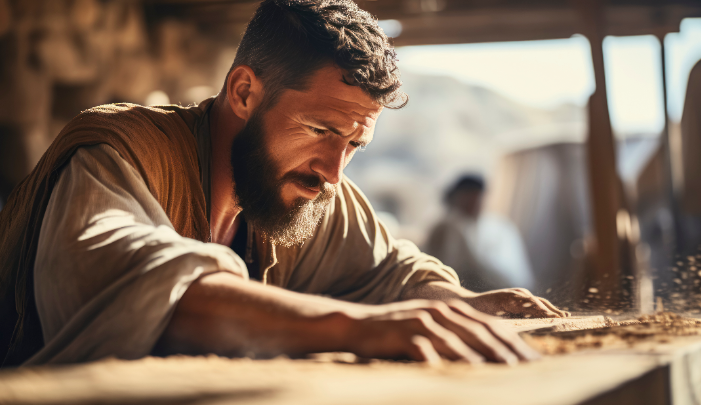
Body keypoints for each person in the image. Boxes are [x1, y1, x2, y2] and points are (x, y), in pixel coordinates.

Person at [0, 0, 568, 367]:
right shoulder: (118, 153)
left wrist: (459, 306)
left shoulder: (303, 187)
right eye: (320, 129)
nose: (332, 172)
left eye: (353, 144)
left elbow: (390, 272)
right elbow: (144, 290)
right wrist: (358, 328)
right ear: (244, 92)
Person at [425, 176, 535, 292]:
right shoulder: (447, 226)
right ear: (457, 198)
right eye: (468, 197)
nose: (474, 202)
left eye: (477, 197)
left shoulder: (501, 227)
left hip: (505, 289)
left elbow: (515, 271)